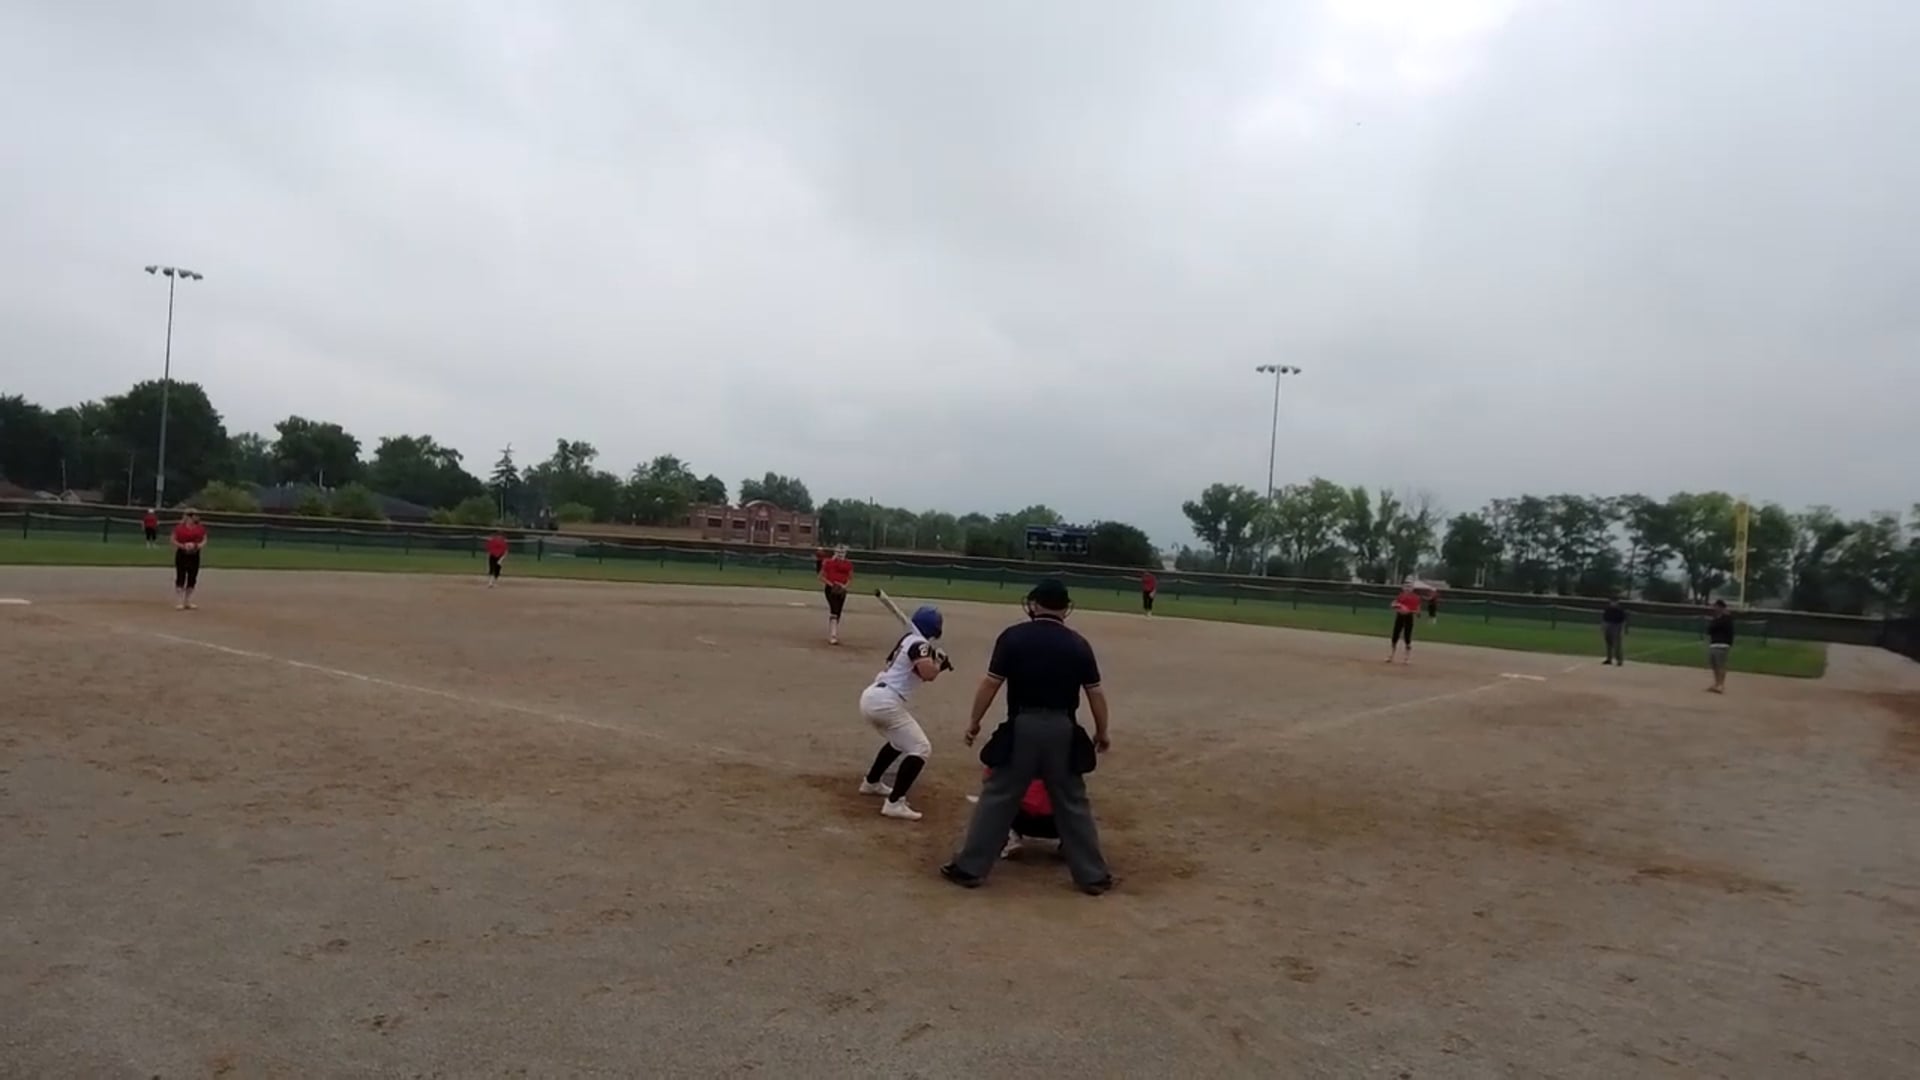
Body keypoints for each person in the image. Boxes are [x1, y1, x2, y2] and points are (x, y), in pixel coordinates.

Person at [942, 579, 1113, 895]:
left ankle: (969, 868)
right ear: (1066, 608)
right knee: (1072, 802)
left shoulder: (1013, 637)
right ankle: (1093, 876)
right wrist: (1102, 732)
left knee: (998, 797)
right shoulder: (1078, 644)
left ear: (1034, 604)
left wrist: (974, 722)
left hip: (1022, 726)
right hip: (1063, 728)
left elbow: (990, 684)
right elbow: (1096, 693)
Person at [857, 605, 951, 821]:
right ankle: (894, 803)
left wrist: (935, 660)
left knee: (899, 742)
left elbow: (916, 668)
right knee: (921, 748)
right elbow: (927, 673)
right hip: (885, 702)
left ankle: (871, 782)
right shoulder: (920, 644)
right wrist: (939, 664)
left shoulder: (908, 640)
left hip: (873, 696)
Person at [984, 766, 1058, 858]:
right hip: (1057, 823)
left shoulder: (1008, 757)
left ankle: (1010, 839)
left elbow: (988, 779)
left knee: (993, 798)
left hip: (1021, 818)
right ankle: (1069, 843)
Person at [171, 511, 207, 610]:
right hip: (182, 554)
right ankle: (179, 601)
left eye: (196, 515)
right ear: (187, 517)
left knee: (192, 577)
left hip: (194, 555)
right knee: (181, 575)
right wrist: (182, 546)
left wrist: (197, 546)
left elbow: (204, 540)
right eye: (193, 515)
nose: (195, 517)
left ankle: (187, 601)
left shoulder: (200, 528)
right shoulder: (179, 528)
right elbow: (173, 539)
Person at [819, 544, 854, 645]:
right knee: (834, 610)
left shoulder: (848, 564)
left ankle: (833, 630)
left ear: (845, 554)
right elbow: (821, 577)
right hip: (831, 589)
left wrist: (844, 587)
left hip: (842, 590)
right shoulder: (828, 562)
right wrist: (832, 585)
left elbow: (850, 578)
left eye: (842, 552)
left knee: (838, 612)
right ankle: (833, 635)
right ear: (835, 553)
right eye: (838, 552)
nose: (840, 554)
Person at [1387, 582, 1423, 663]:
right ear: (1403, 588)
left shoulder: (1416, 598)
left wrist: (1410, 611)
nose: (1407, 588)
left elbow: (1418, 612)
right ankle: (1391, 655)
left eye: (1409, 587)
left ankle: (1407, 657)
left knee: (1407, 637)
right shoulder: (1400, 596)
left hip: (1408, 617)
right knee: (1395, 635)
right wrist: (1397, 606)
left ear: (1412, 589)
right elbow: (1393, 604)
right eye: (1406, 586)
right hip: (1399, 617)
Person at [1705, 600, 1735, 693]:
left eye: (1716, 606)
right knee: (1714, 665)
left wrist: (1729, 643)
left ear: (1721, 607)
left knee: (1721, 665)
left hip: (1722, 644)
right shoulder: (1715, 618)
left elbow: (1729, 631)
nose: (1714, 608)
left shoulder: (1727, 618)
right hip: (1714, 643)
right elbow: (1709, 630)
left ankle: (1721, 685)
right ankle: (1716, 683)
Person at [1601, 597, 1629, 665]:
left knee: (1617, 644)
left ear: (1617, 602)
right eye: (1612, 602)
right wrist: (1603, 627)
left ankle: (1619, 660)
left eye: (1614, 602)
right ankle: (1609, 659)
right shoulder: (1607, 609)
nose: (1613, 603)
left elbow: (1624, 620)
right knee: (1608, 643)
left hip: (1616, 626)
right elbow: (1604, 619)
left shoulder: (1620, 610)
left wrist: (1625, 629)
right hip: (1608, 625)